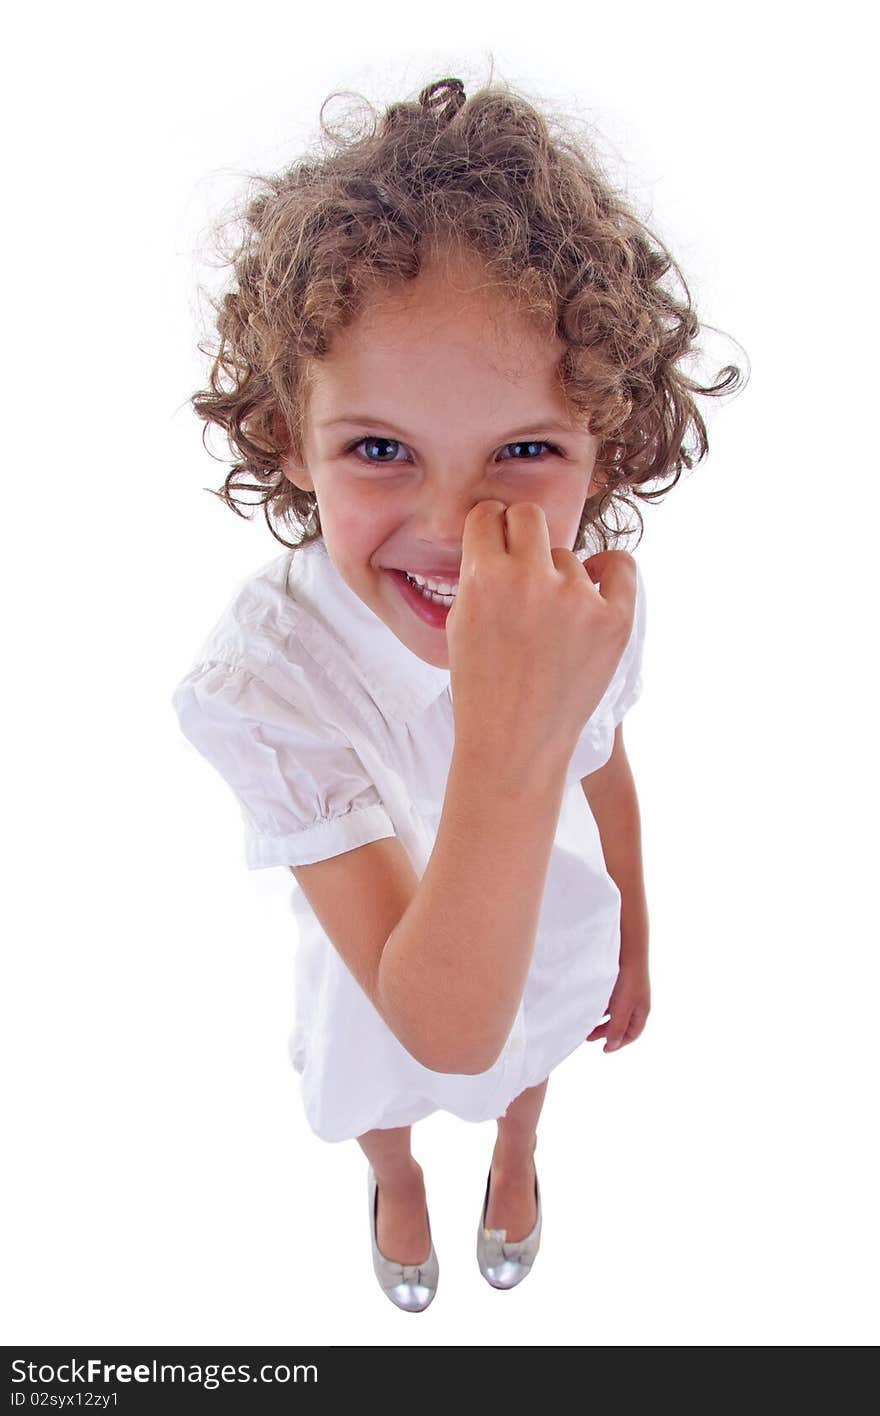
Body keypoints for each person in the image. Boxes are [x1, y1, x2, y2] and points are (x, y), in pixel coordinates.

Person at [171, 73, 744, 1311]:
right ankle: (397, 1183)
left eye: (524, 451)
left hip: (540, 939)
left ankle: (518, 1152)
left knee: (536, 1046)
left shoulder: (576, 601)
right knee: (381, 1094)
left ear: (609, 441)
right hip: (393, 979)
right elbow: (438, 1026)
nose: (449, 527)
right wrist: (505, 727)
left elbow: (603, 766)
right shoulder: (261, 685)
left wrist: (637, 920)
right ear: (288, 431)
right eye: (380, 451)